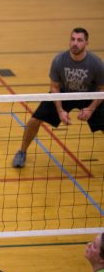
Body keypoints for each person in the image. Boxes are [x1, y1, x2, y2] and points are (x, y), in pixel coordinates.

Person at [13, 27, 104, 168]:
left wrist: (91, 109)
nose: (75, 43)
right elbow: (54, 87)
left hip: (89, 95)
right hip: (63, 93)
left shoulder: (96, 64)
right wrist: (60, 110)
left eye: (79, 40)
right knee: (34, 120)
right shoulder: (59, 60)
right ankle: (22, 152)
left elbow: (102, 89)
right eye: (72, 39)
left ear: (86, 43)